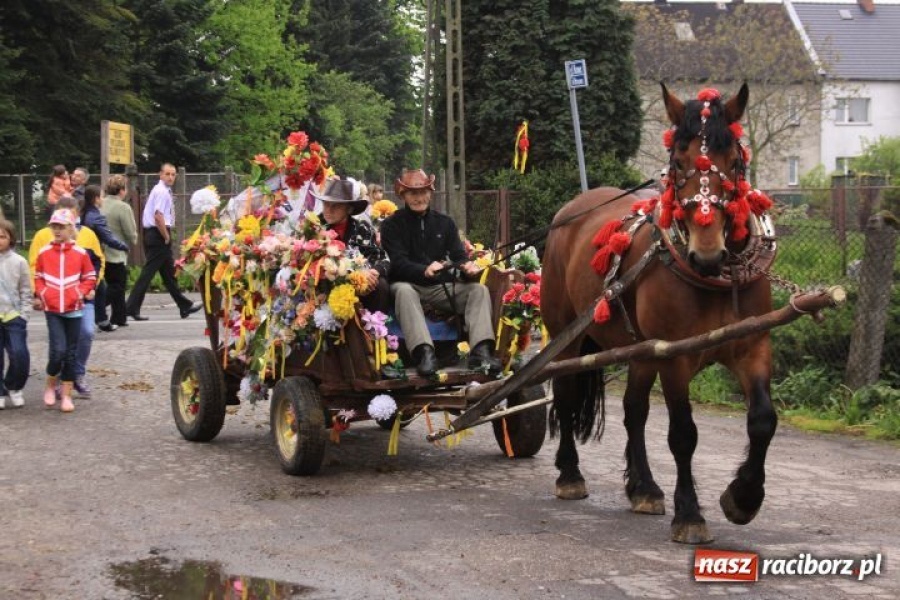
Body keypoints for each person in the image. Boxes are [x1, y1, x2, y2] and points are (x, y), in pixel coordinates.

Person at [380, 169, 502, 376]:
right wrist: (424, 270)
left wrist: (467, 268)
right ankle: (424, 352)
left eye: (423, 192)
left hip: (441, 287)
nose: (419, 198)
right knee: (403, 291)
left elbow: (458, 256)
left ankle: (481, 351)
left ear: (431, 192)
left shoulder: (445, 223)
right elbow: (397, 263)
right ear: (403, 195)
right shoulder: (392, 225)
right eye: (412, 193)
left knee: (478, 290)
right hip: (408, 285)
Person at [29, 195, 106, 398]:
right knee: (58, 344)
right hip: (54, 300)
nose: (58, 229)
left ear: (75, 217)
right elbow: (34, 267)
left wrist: (90, 287)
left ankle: (76, 374)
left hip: (81, 298)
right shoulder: (42, 238)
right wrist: (39, 293)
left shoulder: (87, 236)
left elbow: (98, 262)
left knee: (87, 333)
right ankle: (56, 380)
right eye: (56, 223)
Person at [125, 163, 201, 321]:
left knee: (168, 274)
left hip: (155, 233)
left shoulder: (162, 190)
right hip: (158, 234)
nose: (171, 177)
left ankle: (184, 306)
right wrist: (166, 236)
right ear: (160, 175)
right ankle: (130, 307)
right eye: (167, 174)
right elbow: (158, 216)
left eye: (173, 174)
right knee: (148, 273)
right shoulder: (161, 192)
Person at [314, 179, 391, 313]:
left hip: (357, 286)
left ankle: (374, 328)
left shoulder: (362, 228)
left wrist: (372, 272)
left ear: (349, 209)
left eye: (336, 206)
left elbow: (382, 258)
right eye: (326, 204)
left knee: (380, 285)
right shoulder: (313, 226)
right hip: (323, 284)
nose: (328, 210)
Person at [81, 184, 128, 332]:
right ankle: (98, 320)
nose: (103, 199)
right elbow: (108, 237)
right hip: (92, 255)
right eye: (101, 196)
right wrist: (123, 246)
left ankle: (101, 320)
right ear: (96, 199)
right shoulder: (96, 217)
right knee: (97, 287)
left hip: (82, 254)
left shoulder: (84, 214)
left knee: (100, 288)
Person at [0, 220, 31, 409]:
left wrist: (24, 314)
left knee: (19, 354)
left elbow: (26, 290)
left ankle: (14, 385)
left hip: (14, 315)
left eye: (3, 236)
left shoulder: (19, 262)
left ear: (11, 238)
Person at [100, 174, 137, 328]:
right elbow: (130, 230)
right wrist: (133, 239)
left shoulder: (101, 204)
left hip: (102, 250)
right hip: (117, 252)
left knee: (112, 283)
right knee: (117, 286)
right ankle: (99, 305)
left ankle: (119, 316)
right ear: (121, 190)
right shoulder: (123, 207)